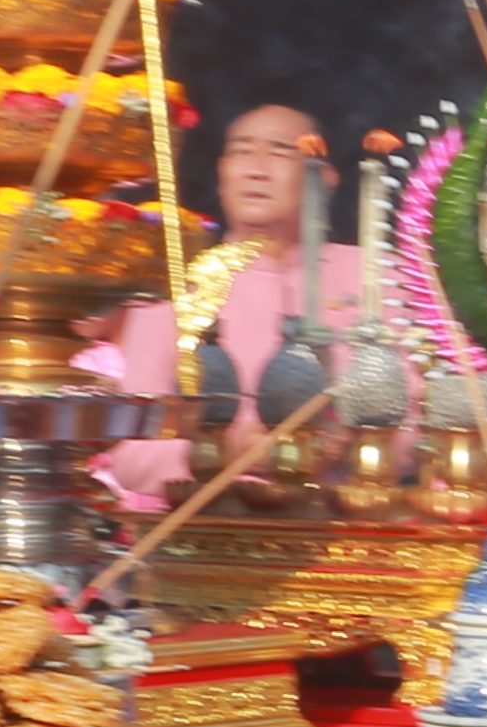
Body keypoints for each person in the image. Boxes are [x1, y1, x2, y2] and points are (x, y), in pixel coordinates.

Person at [93, 98, 384, 506]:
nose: (256, 169)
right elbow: (128, 453)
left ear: (325, 177)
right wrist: (227, 451)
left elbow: (424, 422)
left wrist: (356, 446)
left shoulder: (375, 277)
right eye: (241, 151)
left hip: (345, 523)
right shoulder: (174, 284)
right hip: (206, 527)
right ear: (222, 173)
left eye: (281, 151)